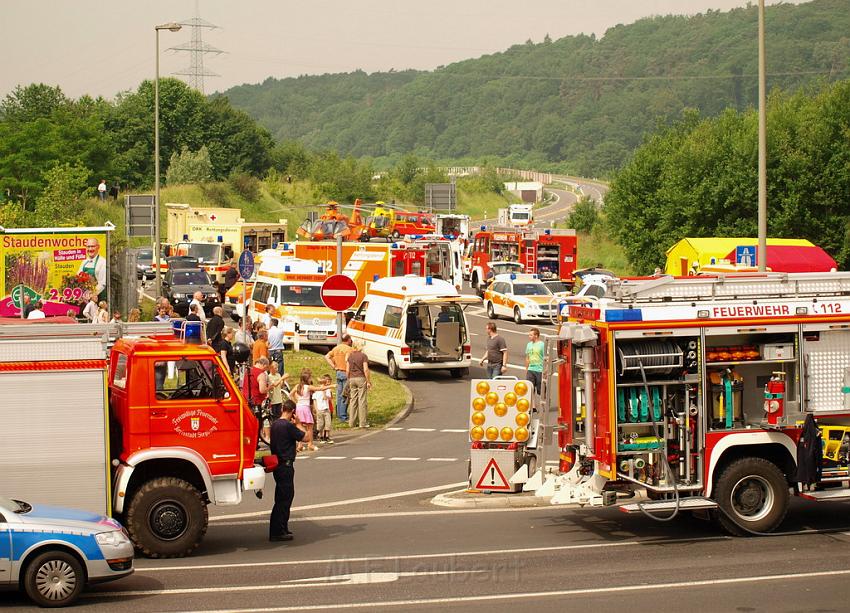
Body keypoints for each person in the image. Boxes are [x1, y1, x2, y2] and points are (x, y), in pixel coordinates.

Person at [268, 399, 306, 542]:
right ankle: (278, 531)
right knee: (285, 499)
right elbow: (306, 436)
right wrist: (299, 424)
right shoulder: (288, 426)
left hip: (278, 464)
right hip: (286, 465)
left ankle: (281, 527)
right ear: (292, 412)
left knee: (281, 498)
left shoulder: (275, 425)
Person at [289, 369, 332, 451]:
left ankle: (300, 445)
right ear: (307, 379)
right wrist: (331, 386)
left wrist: (296, 401)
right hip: (305, 407)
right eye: (310, 378)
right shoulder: (308, 387)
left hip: (299, 407)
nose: (310, 379)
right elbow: (319, 389)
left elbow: (290, 394)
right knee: (310, 426)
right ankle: (310, 444)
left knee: (299, 426)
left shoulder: (297, 386)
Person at [324, 334, 353, 422]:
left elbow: (327, 357)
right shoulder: (349, 349)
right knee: (345, 395)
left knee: (339, 395)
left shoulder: (336, 348)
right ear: (348, 340)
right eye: (350, 340)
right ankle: (343, 416)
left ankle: (339, 414)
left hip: (338, 372)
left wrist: (334, 366)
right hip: (346, 373)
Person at [345, 342, 372, 429]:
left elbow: (347, 370)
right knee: (362, 401)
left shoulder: (350, 356)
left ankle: (351, 422)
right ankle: (362, 423)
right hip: (361, 378)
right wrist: (368, 381)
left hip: (352, 379)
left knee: (353, 401)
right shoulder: (363, 356)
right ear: (360, 347)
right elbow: (366, 369)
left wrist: (348, 379)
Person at [313, 374, 334, 444]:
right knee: (320, 424)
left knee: (328, 423)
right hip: (319, 409)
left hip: (326, 408)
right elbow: (314, 400)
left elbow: (327, 398)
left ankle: (327, 436)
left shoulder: (327, 389)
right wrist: (316, 409)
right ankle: (321, 436)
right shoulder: (316, 390)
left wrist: (324, 392)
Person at [524, 327, 545, 394]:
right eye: (529, 335)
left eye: (531, 335)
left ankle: (543, 404)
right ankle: (532, 404)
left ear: (536, 336)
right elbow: (527, 357)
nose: (529, 336)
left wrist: (545, 370)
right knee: (530, 390)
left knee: (541, 390)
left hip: (539, 370)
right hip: (531, 369)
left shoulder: (542, 345)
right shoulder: (529, 345)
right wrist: (527, 369)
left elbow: (546, 358)